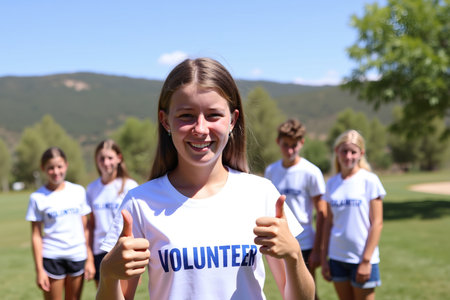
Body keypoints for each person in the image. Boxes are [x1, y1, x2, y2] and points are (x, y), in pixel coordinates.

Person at [96, 57, 315, 300]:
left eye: (213, 115)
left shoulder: (261, 193)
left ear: (232, 120)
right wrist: (108, 275)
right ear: (165, 120)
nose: (200, 128)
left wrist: (294, 254)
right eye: (186, 115)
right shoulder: (140, 203)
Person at [264, 118, 326, 300]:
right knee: (287, 292)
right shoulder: (271, 171)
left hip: (304, 244)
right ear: (278, 142)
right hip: (280, 242)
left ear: (302, 143)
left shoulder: (311, 172)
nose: (290, 150)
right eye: (285, 145)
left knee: (307, 293)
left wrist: (318, 249)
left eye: (294, 145)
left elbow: (322, 213)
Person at [321, 130, 385, 300]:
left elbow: (377, 223)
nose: (348, 156)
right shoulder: (332, 183)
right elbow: (329, 222)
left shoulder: (370, 180)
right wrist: (324, 257)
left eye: (353, 152)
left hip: (361, 259)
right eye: (344, 151)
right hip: (337, 257)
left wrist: (365, 261)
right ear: (336, 151)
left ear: (361, 154)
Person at [25, 147, 94, 300]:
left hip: (77, 256)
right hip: (52, 257)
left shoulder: (78, 191)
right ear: (43, 168)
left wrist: (89, 259)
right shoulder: (37, 197)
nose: (56, 172)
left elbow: (86, 228)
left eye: (59, 166)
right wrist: (39, 270)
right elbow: (36, 236)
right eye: (51, 168)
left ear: (66, 165)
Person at [86, 139, 138, 286]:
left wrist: (135, 257)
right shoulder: (91, 189)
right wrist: (90, 257)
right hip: (100, 250)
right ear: (96, 161)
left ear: (119, 158)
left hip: (123, 248)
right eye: (102, 158)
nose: (106, 162)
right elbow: (91, 225)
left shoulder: (130, 186)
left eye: (110, 158)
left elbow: (137, 224)